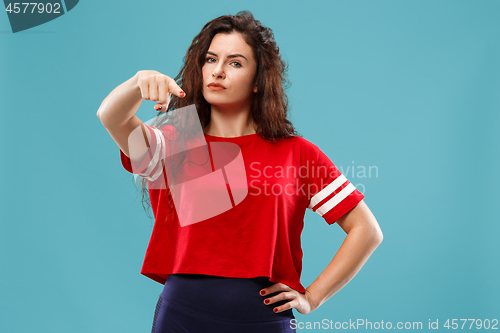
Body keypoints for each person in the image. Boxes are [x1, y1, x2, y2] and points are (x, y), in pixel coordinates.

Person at [97, 10, 382, 333]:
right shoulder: (174, 140)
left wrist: (312, 298)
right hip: (182, 315)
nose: (217, 72)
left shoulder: (297, 153)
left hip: (264, 318)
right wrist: (138, 83)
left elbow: (367, 230)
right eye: (210, 59)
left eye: (235, 63)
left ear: (259, 81)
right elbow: (111, 116)